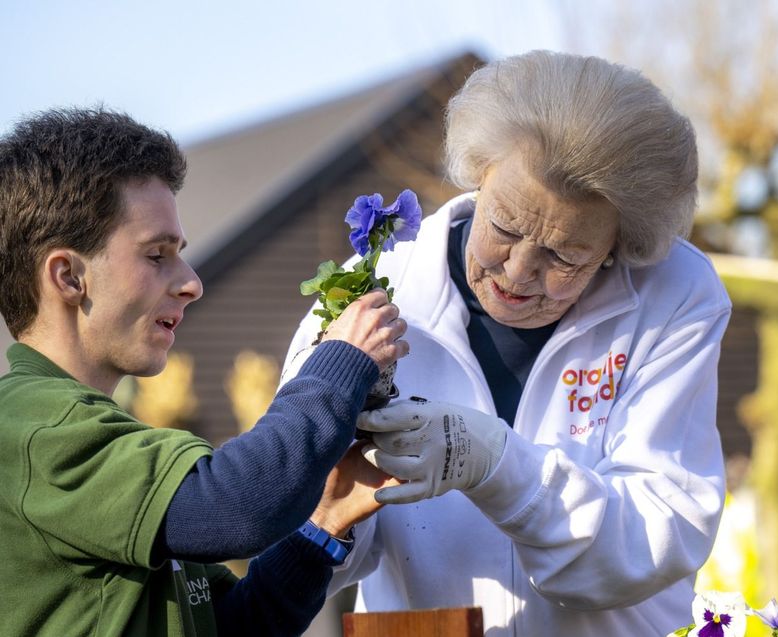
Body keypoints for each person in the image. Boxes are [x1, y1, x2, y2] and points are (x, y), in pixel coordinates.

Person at [284, 50, 732, 636]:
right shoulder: (369, 288)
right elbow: (301, 534)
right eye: (504, 227)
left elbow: (656, 534)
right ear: (478, 174)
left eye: (564, 256)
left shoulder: (675, 296)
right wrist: (336, 499)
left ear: (620, 244)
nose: (518, 272)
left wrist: (496, 464)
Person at [0, 108, 409, 636]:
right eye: (156, 255)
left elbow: (235, 626)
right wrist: (339, 361)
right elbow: (238, 505)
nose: (191, 283)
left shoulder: (89, 433)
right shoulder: (34, 429)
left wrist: (323, 525)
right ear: (69, 275)